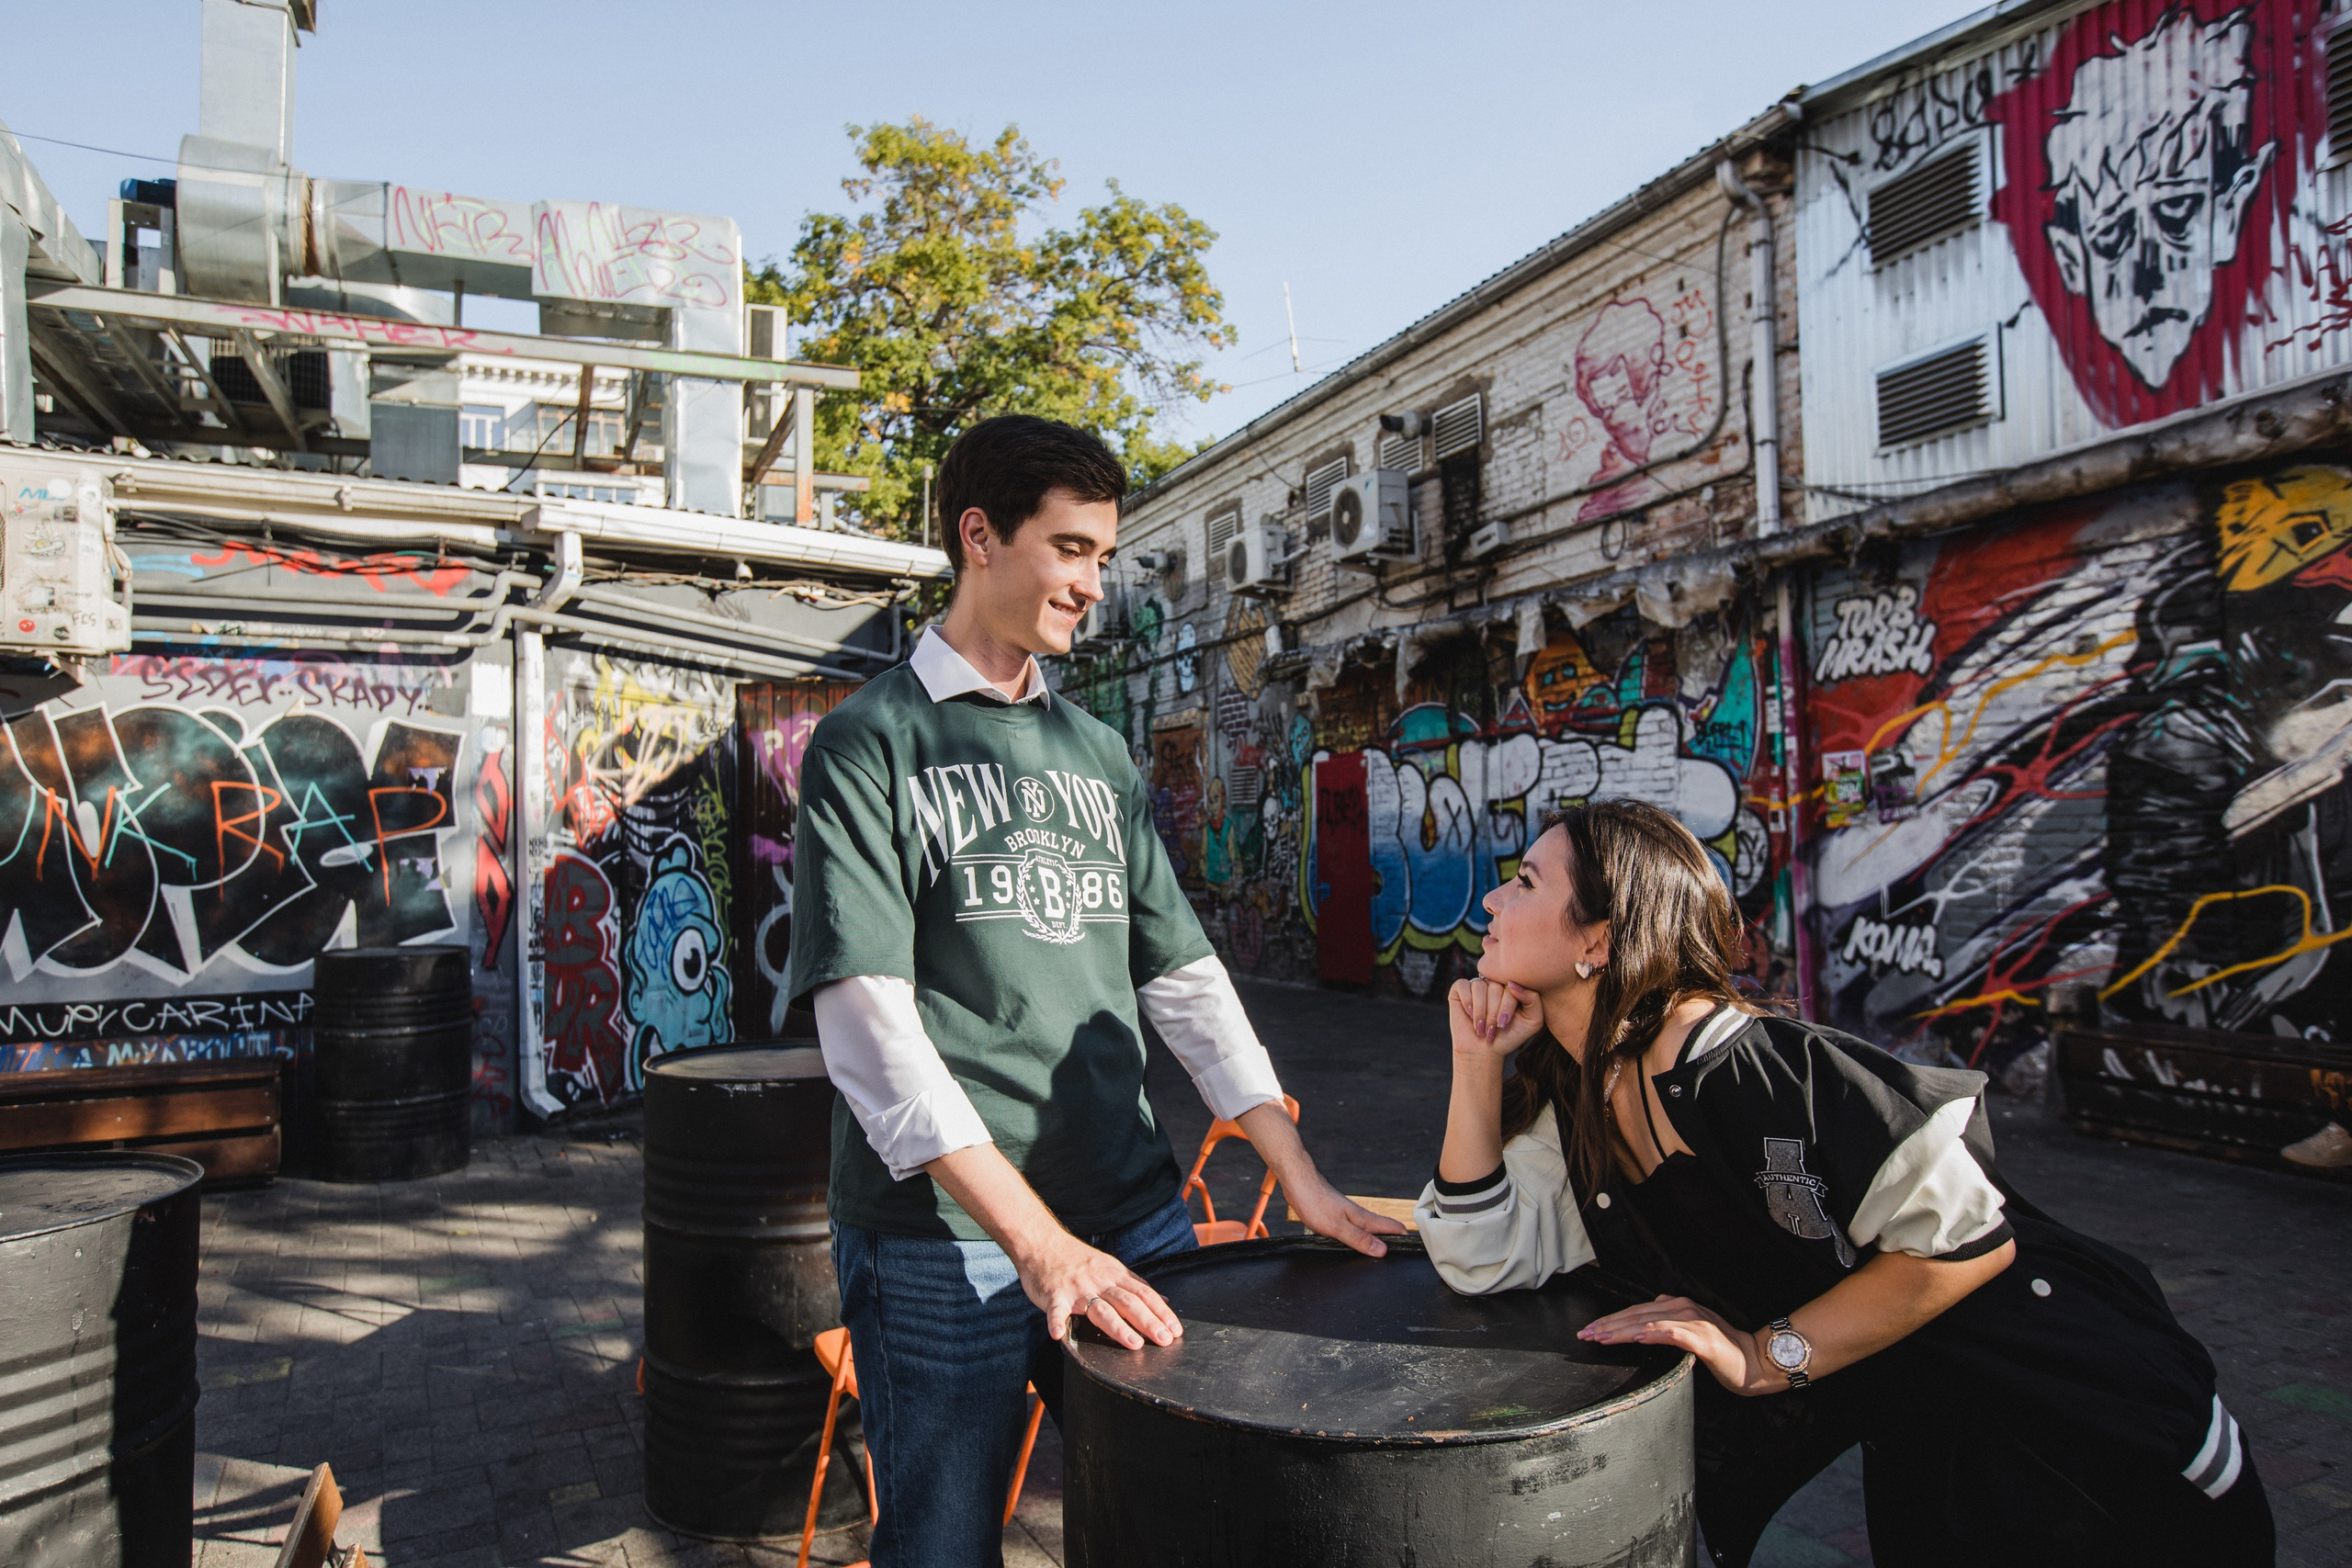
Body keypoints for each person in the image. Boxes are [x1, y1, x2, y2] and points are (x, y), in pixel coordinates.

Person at [786, 414, 1404, 1568]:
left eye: (1103, 558)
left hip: (1131, 1212)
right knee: (942, 1546)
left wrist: (1301, 1177)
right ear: (980, 536)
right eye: (1070, 549)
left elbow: (1183, 978)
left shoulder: (1097, 752)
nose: (1092, 587)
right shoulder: (871, 742)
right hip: (944, 1240)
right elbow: (865, 1030)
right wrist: (1035, 1243)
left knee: (1183, 1521)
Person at [1417, 798, 2275, 1568]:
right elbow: (1480, 1254)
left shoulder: (1746, 1066)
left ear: (1598, 939)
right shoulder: (1582, 1093)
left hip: (2090, 1429)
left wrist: (1765, 1355)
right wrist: (1475, 1060)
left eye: (1524, 880)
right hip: (1932, 1446)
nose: (1491, 900)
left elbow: (1967, 1241)